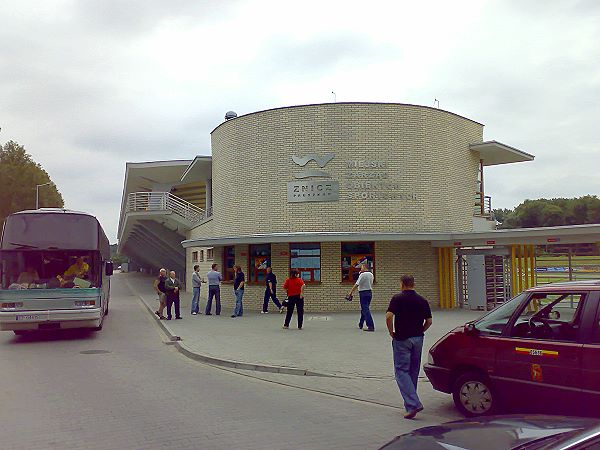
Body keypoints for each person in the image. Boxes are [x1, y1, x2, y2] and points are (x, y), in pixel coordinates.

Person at [385, 275, 433, 419]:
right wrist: (421, 330)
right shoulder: (422, 300)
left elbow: (388, 316)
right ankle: (410, 406)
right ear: (413, 284)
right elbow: (429, 321)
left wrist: (391, 332)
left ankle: (413, 403)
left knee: (401, 371)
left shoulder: (397, 298)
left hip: (402, 338)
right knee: (413, 370)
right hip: (418, 338)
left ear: (402, 284)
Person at [347, 263, 375, 331]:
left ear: (365, 267)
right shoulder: (371, 274)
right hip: (369, 292)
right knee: (364, 308)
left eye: (362, 267)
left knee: (365, 309)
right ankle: (361, 324)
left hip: (363, 293)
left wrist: (350, 292)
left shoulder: (362, 275)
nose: (361, 269)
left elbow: (357, 284)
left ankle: (370, 326)